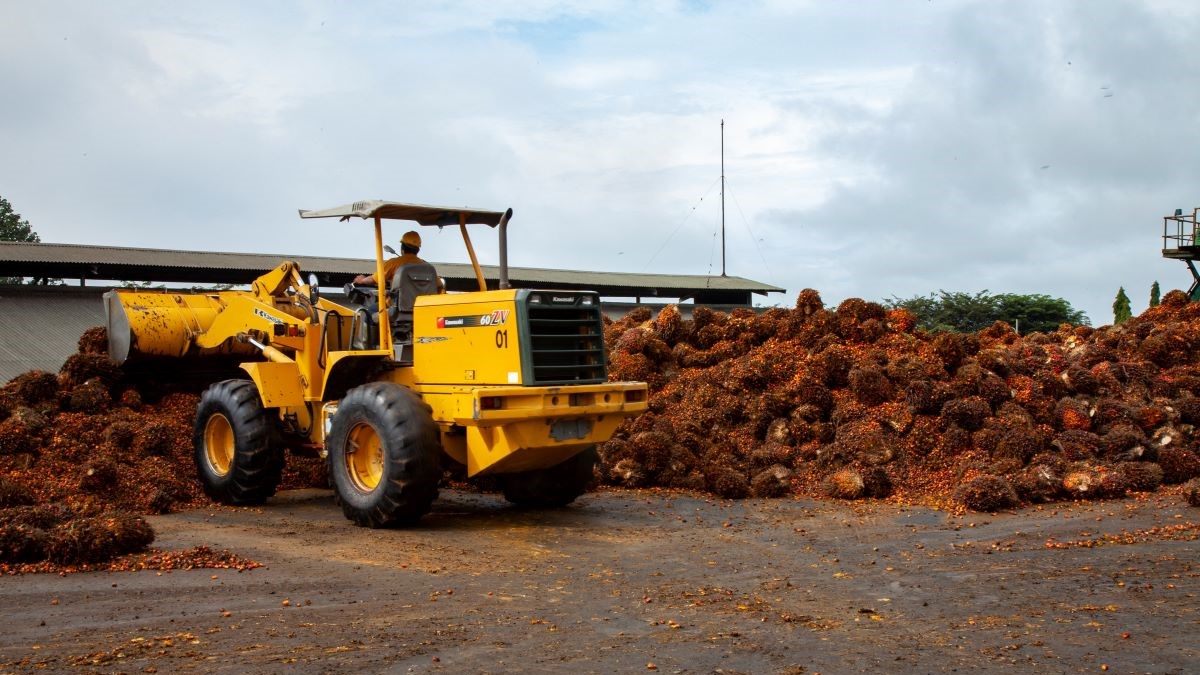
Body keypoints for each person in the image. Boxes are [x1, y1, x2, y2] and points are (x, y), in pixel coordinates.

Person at [353, 230, 442, 292]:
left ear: (402, 247)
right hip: (422, 309)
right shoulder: (427, 267)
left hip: (399, 308)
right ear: (418, 249)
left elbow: (374, 279)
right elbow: (439, 285)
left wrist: (362, 280)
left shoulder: (394, 263)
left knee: (371, 311)